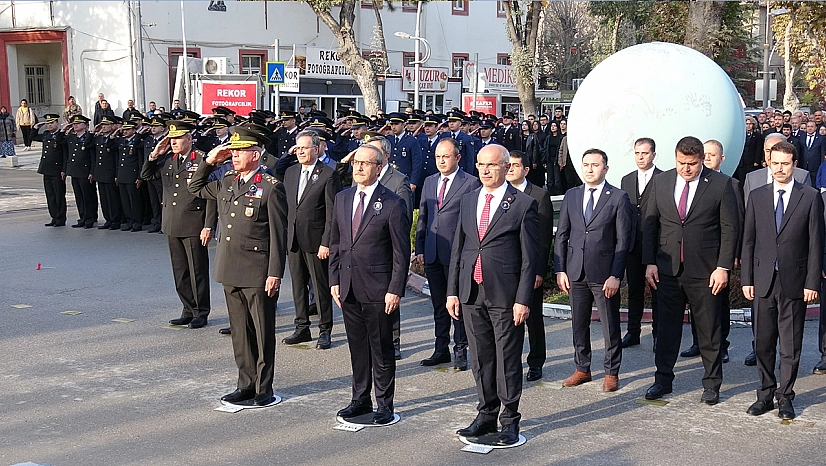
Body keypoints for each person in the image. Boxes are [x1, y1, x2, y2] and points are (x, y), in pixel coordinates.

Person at [188, 126, 288, 406]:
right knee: (241, 332)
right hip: (229, 267)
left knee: (262, 331)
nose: (234, 155)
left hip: (257, 271)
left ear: (255, 154)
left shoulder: (270, 187)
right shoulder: (227, 180)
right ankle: (245, 383)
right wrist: (209, 160)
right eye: (232, 150)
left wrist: (274, 273)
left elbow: (279, 235)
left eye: (240, 151)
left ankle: (263, 388)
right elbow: (194, 187)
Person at [447, 144, 539, 445]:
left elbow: (530, 258)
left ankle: (510, 419)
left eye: (492, 165)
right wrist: (453, 292)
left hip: (505, 295)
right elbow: (459, 249)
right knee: (481, 358)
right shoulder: (468, 199)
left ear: (505, 167)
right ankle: (486, 414)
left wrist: (523, 299)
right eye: (481, 165)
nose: (485, 171)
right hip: (471, 292)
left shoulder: (523, 204)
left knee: (507, 359)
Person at [641, 136, 739, 405]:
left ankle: (711, 384)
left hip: (706, 271)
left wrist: (723, 267)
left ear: (702, 160)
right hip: (667, 269)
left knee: (709, 331)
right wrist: (649, 262)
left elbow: (730, 229)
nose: (686, 169)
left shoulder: (720, 185)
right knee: (666, 330)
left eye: (692, 164)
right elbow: (649, 224)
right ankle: (662, 380)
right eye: (681, 163)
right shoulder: (661, 182)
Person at [741, 141, 823, 420]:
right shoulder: (757, 196)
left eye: (785, 163)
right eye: (775, 163)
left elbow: (815, 243)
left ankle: (786, 397)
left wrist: (812, 283)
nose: (779, 168)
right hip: (762, 281)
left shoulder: (810, 197)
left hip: (794, 282)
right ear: (768, 163)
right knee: (762, 343)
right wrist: (746, 279)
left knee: (790, 345)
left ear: (794, 165)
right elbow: (748, 240)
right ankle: (764, 395)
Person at [329, 144, 411, 425]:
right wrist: (334, 280)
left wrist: (395, 288)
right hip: (349, 285)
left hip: (379, 288)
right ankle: (359, 399)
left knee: (381, 348)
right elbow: (336, 242)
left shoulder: (391, 202)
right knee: (358, 347)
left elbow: (401, 251)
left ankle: (384, 404)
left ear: (379, 168)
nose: (360, 168)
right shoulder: (342, 198)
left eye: (366, 163)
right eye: (356, 163)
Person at [556, 148, 632, 392]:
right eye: (586, 164)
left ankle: (611, 372)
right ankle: (582, 368)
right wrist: (560, 269)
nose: (590, 169)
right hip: (575, 271)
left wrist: (616, 275)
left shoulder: (618, 197)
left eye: (595, 165)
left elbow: (624, 240)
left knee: (610, 325)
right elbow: (562, 235)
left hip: (604, 273)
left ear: (606, 169)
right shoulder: (572, 195)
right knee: (579, 323)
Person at [142, 120, 216, 329]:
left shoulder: (202, 159)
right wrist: (154, 155)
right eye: (171, 139)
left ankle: (201, 311)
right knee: (180, 270)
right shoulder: (168, 160)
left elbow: (210, 195)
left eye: (178, 138)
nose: (173, 142)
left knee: (197, 270)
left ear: (190, 139)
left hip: (194, 223)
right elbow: (146, 175)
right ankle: (187, 308)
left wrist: (208, 225)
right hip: (172, 222)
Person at [414, 138, 480, 371]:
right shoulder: (430, 181)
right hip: (432, 252)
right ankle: (440, 348)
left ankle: (460, 350)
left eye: (446, 156)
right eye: (438, 157)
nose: (441, 161)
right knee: (439, 305)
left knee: (458, 304)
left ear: (457, 158)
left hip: (458, 255)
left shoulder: (471, 183)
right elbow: (423, 215)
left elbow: (471, 223)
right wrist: (419, 247)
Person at [282, 131, 340, 349]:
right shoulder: (290, 172)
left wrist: (327, 242)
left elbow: (332, 213)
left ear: (317, 149)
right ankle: (302, 327)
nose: (301, 152)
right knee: (298, 286)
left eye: (305, 148)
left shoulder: (327, 174)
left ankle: (325, 329)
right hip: (294, 238)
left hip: (316, 241)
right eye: (298, 148)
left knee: (320, 286)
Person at [506, 150, 554, 382]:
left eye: (515, 166)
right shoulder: (498, 192)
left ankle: (536, 362)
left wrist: (537, 271)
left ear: (526, 170)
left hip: (529, 268)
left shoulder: (539, 195)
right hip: (504, 268)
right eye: (508, 165)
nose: (510, 169)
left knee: (533, 319)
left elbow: (543, 239)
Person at [620, 138, 662, 350]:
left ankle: (658, 334)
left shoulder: (664, 178)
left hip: (656, 244)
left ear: (653, 154)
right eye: (637, 153)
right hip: (633, 244)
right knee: (634, 289)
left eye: (644, 153)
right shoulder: (626, 180)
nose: (640, 157)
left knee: (657, 290)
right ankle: (633, 331)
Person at [32, 114, 67, 226]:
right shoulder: (46, 134)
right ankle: (54, 216)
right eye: (47, 123)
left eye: (52, 123)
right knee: (50, 195)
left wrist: (64, 170)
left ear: (57, 123)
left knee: (59, 195)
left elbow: (65, 155)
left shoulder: (61, 136)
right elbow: (33, 137)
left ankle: (61, 218)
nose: (49, 125)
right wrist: (36, 127)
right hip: (46, 169)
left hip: (57, 170)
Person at [64, 115, 98, 228]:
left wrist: (92, 171)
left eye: (78, 123)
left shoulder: (89, 137)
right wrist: (65, 129)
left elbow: (93, 157)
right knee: (79, 196)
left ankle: (90, 218)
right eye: (74, 123)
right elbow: (59, 140)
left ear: (85, 126)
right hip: (75, 171)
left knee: (87, 196)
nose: (75, 125)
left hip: (85, 171)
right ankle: (82, 216)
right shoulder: (71, 137)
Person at [113, 119, 147, 231]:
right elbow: (111, 147)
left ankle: (137, 222)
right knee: (125, 200)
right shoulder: (121, 141)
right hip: (122, 174)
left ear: (134, 130)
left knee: (134, 200)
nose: (125, 132)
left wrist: (139, 177)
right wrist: (115, 133)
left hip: (132, 175)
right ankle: (129, 221)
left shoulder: (137, 142)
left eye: (128, 129)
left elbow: (140, 161)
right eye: (124, 129)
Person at [91, 115, 123, 230]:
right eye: (102, 125)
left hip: (110, 172)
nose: (104, 127)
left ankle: (115, 219)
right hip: (100, 172)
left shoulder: (116, 139)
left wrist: (116, 174)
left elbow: (116, 157)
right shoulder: (99, 138)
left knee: (112, 197)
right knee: (104, 198)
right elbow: (88, 145)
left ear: (113, 126)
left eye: (107, 125)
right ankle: (108, 219)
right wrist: (93, 132)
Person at [386, 112, 423, 194]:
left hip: (405, 178)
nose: (393, 127)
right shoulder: (389, 140)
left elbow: (417, 162)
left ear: (404, 124)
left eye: (396, 124)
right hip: (389, 178)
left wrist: (413, 181)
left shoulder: (411, 141)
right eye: (392, 124)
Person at [143, 115, 168, 233]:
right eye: (152, 126)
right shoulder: (148, 140)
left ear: (163, 128)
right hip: (150, 174)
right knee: (153, 200)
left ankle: (165, 223)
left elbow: (166, 159)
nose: (153, 128)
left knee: (162, 200)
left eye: (156, 126)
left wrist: (158, 171)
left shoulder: (166, 141)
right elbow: (145, 158)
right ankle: (157, 222)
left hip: (160, 174)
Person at [801, 121, 826, 185]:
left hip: (815, 167)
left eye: (812, 126)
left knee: (814, 186)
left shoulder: (821, 138)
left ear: (815, 128)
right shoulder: (801, 137)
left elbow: (822, 153)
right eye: (808, 126)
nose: (810, 128)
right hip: (803, 166)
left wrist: (821, 166)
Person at [544, 121, 563, 195]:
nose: (553, 127)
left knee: (557, 180)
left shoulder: (561, 137)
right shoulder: (548, 137)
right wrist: (544, 160)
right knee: (550, 180)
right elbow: (545, 149)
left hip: (557, 160)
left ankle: (558, 195)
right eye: (552, 126)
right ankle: (550, 194)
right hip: (549, 160)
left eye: (555, 126)